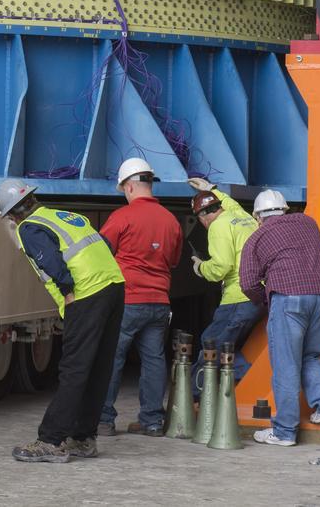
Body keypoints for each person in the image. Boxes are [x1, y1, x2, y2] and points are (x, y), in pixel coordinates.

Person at [0, 178, 125, 464]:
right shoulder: (63, 215)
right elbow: (103, 244)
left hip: (86, 293)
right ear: (32, 199)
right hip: (113, 286)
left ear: (13, 215)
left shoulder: (29, 228)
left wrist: (67, 289)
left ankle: (51, 440)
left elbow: (50, 260)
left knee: (74, 369)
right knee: (98, 368)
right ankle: (83, 439)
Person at [239, 189, 320, 447]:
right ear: (285, 209)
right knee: (310, 355)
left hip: (290, 298)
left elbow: (248, 283)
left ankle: (284, 431)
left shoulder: (257, 237)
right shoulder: (308, 222)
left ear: (258, 216)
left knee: (286, 363)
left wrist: (266, 300)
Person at [98, 157, 182, 437]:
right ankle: (152, 421)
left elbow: (100, 254)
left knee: (112, 358)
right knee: (155, 360)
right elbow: (173, 260)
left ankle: (104, 420)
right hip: (159, 302)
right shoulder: (171, 221)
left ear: (129, 186)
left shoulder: (122, 217)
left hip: (128, 300)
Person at [186, 177, 261, 394]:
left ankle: (194, 397)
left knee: (210, 343)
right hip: (257, 296)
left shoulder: (217, 227)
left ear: (201, 216)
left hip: (238, 297)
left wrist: (200, 267)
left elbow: (221, 267)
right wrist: (212, 190)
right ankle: (250, 382)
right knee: (226, 346)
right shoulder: (242, 217)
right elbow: (232, 204)